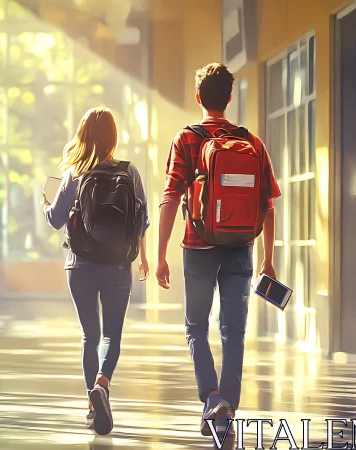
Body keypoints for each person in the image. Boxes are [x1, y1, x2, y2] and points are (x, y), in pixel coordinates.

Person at [155, 63, 280, 438]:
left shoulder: (187, 139)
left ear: (198, 98)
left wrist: (160, 253)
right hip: (241, 247)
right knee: (234, 331)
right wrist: (268, 260)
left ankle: (211, 397)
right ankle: (227, 406)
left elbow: (170, 195)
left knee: (196, 327)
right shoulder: (252, 142)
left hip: (197, 246)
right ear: (229, 98)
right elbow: (268, 204)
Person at [41, 107, 150, 436]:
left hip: (81, 266)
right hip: (118, 265)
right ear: (114, 136)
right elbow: (141, 220)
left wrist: (46, 203)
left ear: (84, 134)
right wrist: (143, 257)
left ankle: (93, 404)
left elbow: (57, 219)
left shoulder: (76, 172)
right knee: (111, 335)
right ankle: (103, 383)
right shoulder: (129, 173)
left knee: (90, 335)